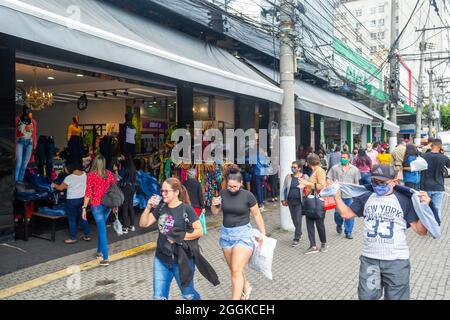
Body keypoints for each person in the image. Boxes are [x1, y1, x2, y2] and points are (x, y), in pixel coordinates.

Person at [334, 165, 429, 300]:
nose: (378, 186)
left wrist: (424, 207)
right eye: (375, 182)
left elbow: (421, 231)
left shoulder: (404, 200)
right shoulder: (366, 197)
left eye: (383, 183)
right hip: (370, 260)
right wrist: (336, 196)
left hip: (396, 261)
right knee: (366, 297)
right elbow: (345, 213)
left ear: (394, 181)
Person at [139, 178, 203, 300]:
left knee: (188, 295)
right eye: (161, 191)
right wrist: (148, 208)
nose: (162, 194)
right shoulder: (161, 207)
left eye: (166, 191)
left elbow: (199, 231)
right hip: (161, 259)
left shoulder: (186, 209)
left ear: (176, 192)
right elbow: (143, 224)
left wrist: (178, 237)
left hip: (182, 261)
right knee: (158, 297)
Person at [211, 166, 265, 300]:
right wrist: (213, 204)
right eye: (229, 186)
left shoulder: (248, 196)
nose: (232, 189)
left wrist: (262, 233)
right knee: (235, 269)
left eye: (235, 186)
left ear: (241, 183)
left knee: (235, 271)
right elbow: (215, 213)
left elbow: (257, 215)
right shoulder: (223, 193)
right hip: (226, 235)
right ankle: (246, 286)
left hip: (243, 235)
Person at [82, 155, 117, 267]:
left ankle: (105, 258)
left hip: (96, 206)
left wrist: (84, 208)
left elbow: (88, 193)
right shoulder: (110, 174)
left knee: (102, 232)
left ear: (95, 163)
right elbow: (114, 191)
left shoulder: (91, 175)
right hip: (107, 205)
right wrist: (115, 205)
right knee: (101, 229)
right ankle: (99, 252)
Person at [51, 160, 91, 244]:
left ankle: (73, 238)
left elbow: (61, 188)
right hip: (83, 199)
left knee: (72, 219)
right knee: (83, 217)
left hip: (72, 201)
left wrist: (54, 185)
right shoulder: (85, 174)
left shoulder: (69, 178)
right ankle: (87, 235)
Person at [327, 152, 361, 239]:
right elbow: (329, 179)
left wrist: (356, 195)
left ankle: (348, 232)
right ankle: (339, 224)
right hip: (338, 195)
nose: (343, 159)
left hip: (350, 196)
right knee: (338, 214)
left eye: (345, 157)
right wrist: (331, 184)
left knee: (349, 214)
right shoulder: (335, 168)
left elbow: (357, 183)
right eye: (342, 157)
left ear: (349, 159)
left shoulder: (354, 169)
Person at [299, 153, 327, 254]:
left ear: (309, 162)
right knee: (309, 222)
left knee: (320, 223)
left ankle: (323, 243)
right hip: (310, 200)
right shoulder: (314, 171)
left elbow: (322, 186)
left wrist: (307, 183)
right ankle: (313, 245)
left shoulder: (320, 171)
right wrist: (304, 184)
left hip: (318, 201)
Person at [421, 139, 450, 218]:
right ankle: (436, 227)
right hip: (438, 186)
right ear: (440, 147)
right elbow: (448, 165)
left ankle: (426, 226)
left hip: (425, 186)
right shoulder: (443, 157)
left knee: (425, 208)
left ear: (431, 145)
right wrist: (442, 153)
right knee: (437, 208)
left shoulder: (424, 156)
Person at [281, 161, 308, 247]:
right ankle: (299, 232)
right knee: (294, 219)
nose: (293, 168)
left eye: (294, 167)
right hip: (290, 201)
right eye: (292, 167)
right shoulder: (288, 177)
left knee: (298, 219)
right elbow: (284, 189)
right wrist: (283, 199)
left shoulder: (304, 177)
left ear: (299, 168)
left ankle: (296, 238)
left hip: (300, 202)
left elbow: (309, 188)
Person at [15, 105, 37, 182]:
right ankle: (14, 181)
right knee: (18, 163)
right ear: (23, 110)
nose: (26, 111)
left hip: (29, 143)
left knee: (24, 165)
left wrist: (34, 146)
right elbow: (15, 132)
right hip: (20, 142)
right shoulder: (17, 119)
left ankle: (19, 182)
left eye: (28, 109)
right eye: (25, 109)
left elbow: (34, 134)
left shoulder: (33, 121)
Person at [119, 155, 137, 233]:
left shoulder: (125, 168)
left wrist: (117, 170)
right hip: (132, 187)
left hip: (126, 188)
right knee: (131, 206)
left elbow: (120, 177)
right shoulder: (133, 168)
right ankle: (132, 226)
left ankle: (125, 227)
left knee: (125, 207)